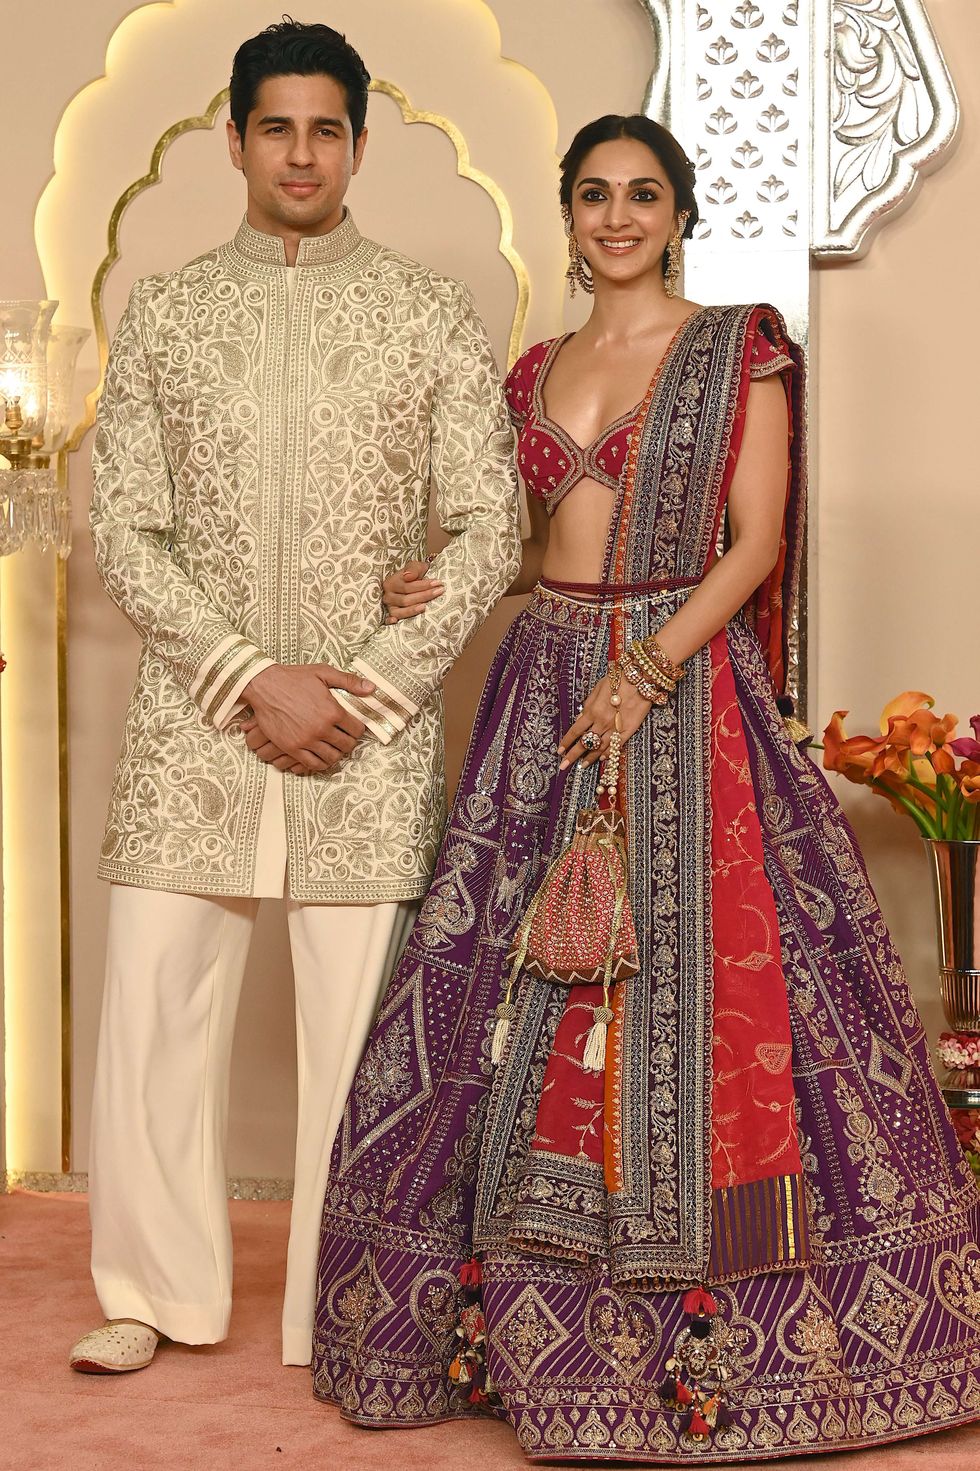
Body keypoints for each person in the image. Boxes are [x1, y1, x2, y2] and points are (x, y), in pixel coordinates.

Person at [311, 114, 980, 1460]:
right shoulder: (534, 370)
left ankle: (733, 1343)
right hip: (543, 682)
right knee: (500, 982)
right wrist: (443, 581)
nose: (617, 216)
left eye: (643, 195)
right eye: (594, 195)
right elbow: (530, 545)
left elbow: (756, 541)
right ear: (567, 215)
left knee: (712, 982)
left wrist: (649, 668)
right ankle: (503, 1332)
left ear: (678, 215)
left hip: (684, 687)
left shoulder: (739, 349)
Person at [69, 19, 520, 1376]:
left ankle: (338, 1302)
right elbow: (124, 527)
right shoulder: (166, 311)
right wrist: (250, 678)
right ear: (236, 141)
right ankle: (150, 1292)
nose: (303, 153)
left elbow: (489, 524)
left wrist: (365, 692)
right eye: (278, 128)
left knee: (358, 1034)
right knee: (153, 1009)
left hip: (364, 734)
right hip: (197, 720)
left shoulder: (427, 311)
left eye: (327, 129)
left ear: (361, 146)